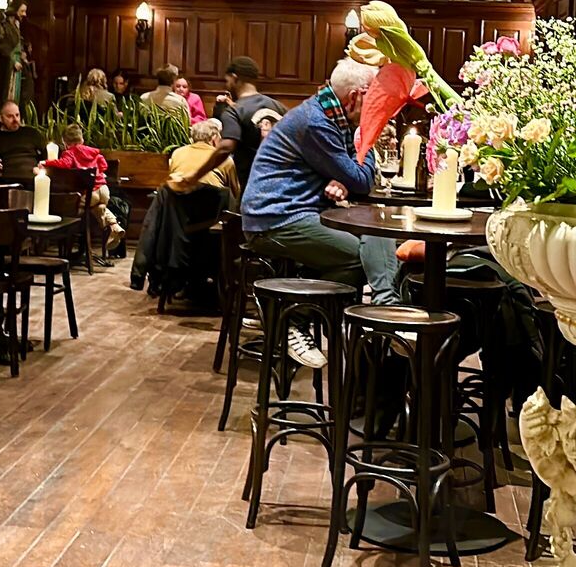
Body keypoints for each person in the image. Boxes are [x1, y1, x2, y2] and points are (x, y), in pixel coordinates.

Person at [241, 59, 401, 368]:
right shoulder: (317, 122)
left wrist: (343, 176)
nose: (376, 105)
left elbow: (350, 172)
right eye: (373, 97)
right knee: (359, 257)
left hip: (300, 211)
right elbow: (361, 180)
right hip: (275, 219)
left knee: (376, 229)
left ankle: (383, 310)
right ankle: (292, 319)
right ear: (355, 96)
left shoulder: (331, 116)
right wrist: (367, 139)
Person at [184, 56, 282, 191]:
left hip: (252, 185)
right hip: (281, 184)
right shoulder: (279, 107)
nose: (227, 85)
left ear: (234, 78)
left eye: (227, 80)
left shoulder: (234, 111)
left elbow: (226, 147)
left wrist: (195, 176)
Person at [42, 124, 124, 251]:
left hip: (91, 192)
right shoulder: (93, 152)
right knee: (97, 208)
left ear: (65, 142)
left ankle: (73, 241)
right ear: (82, 139)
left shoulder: (69, 153)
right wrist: (98, 172)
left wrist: (46, 162)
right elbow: (104, 165)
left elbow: (65, 164)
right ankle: (114, 225)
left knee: (76, 209)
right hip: (104, 190)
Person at [168, 118, 237, 198]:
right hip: (212, 201)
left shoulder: (177, 153)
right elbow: (235, 191)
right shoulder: (223, 159)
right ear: (214, 139)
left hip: (180, 199)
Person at [0, 100, 46, 182]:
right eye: (10, 116)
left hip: (33, 178)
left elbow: (47, 156)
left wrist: (42, 166)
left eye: (17, 115)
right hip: (7, 181)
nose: (15, 119)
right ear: (0, 118)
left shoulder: (32, 133)